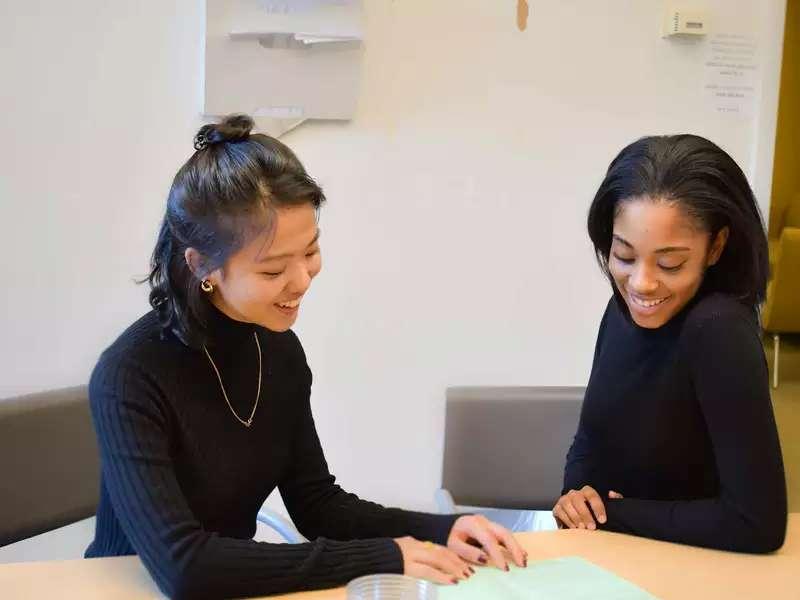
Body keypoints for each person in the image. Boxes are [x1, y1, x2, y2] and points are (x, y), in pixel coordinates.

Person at [85, 115, 526, 599]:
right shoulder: (129, 376)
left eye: (311, 252)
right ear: (202, 265)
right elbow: (185, 566)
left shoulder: (276, 348)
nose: (302, 280)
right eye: (274, 269)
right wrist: (385, 555)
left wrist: (440, 530)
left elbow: (317, 504)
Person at [554, 134, 787, 553]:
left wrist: (613, 515)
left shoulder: (718, 330)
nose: (641, 284)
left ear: (715, 247)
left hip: (697, 566)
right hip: (621, 553)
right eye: (624, 256)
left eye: (670, 263)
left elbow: (757, 523)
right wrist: (579, 496)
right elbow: (591, 435)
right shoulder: (620, 308)